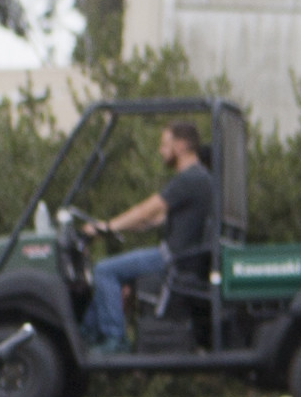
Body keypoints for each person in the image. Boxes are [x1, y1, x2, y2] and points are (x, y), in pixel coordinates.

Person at [85, 119, 218, 347]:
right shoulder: (200, 179)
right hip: (178, 257)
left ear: (181, 146)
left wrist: (107, 226)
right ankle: (89, 337)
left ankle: (115, 340)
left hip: (172, 259)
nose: (161, 150)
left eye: (165, 144)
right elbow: (152, 220)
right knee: (116, 275)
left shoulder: (190, 178)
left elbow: (146, 210)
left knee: (104, 270)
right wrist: (113, 228)